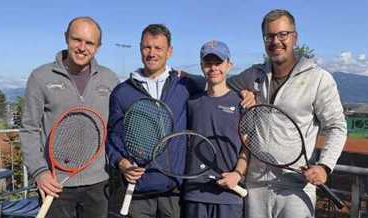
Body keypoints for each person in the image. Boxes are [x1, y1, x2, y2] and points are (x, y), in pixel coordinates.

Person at [227, 9, 347, 218]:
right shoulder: (253, 75)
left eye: (283, 34)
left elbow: (337, 126)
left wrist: (324, 166)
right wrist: (183, 77)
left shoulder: (319, 79)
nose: (276, 41)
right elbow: (221, 85)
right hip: (255, 187)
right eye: (270, 36)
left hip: (297, 188)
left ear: (295, 37)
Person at [20, 16, 120, 218]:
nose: (82, 47)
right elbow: (29, 128)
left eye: (90, 42)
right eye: (77, 39)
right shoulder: (40, 77)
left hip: (98, 184)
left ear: (98, 46)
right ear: (66, 38)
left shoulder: (110, 79)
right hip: (55, 184)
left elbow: (117, 127)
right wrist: (40, 172)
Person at [106, 24, 206, 218]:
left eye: (158, 48)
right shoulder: (122, 92)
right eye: (146, 47)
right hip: (138, 194)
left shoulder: (186, 85)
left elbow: (218, 84)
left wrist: (247, 92)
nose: (152, 53)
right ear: (140, 49)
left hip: (175, 193)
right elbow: (113, 137)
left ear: (169, 51)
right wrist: (121, 162)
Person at [182, 40, 248, 218]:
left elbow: (247, 149)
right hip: (194, 194)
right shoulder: (192, 103)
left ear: (229, 65)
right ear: (202, 66)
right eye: (208, 63)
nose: (213, 68)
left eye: (218, 63)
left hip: (229, 196)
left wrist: (237, 174)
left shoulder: (241, 103)